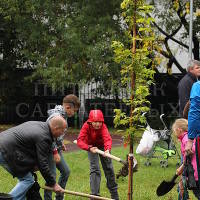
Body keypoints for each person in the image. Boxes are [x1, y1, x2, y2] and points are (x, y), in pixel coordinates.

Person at [0, 115, 67, 200]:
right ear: (56, 128)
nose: (63, 133)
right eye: (63, 130)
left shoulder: (41, 126)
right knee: (27, 180)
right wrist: (53, 184)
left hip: (5, 145)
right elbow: (42, 163)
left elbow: (30, 150)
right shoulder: (44, 136)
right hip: (6, 150)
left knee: (26, 181)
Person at [44, 94, 80, 200]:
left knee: (66, 171)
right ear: (68, 107)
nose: (74, 114)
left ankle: (59, 197)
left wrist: (61, 143)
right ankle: (47, 198)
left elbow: (57, 134)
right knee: (52, 176)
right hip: (50, 150)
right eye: (74, 111)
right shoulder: (56, 116)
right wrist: (55, 152)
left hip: (56, 148)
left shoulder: (63, 115)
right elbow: (48, 135)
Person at [77, 109, 119, 200]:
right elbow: (80, 141)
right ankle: (94, 195)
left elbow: (107, 139)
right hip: (91, 147)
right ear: (90, 121)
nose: (98, 124)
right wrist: (89, 148)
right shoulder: (86, 126)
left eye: (100, 122)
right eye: (95, 122)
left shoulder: (103, 126)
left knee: (109, 168)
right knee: (95, 168)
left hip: (103, 147)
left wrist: (107, 149)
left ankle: (114, 194)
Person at [172, 118, 200, 199]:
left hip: (195, 172)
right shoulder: (187, 137)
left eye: (174, 131)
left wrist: (183, 164)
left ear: (179, 129)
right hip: (192, 172)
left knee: (197, 192)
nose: (174, 133)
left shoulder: (186, 138)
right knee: (183, 187)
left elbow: (192, 149)